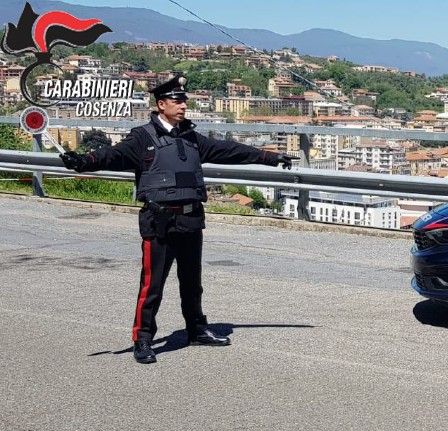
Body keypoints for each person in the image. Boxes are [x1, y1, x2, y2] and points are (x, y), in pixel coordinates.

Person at [59, 74, 294, 364]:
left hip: (191, 219)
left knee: (192, 282)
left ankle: (196, 330)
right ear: (161, 104)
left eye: (184, 100)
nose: (183, 105)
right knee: (152, 284)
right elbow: (112, 155)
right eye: (176, 100)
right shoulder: (142, 138)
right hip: (159, 221)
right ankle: (143, 340)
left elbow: (231, 151)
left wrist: (271, 158)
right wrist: (84, 162)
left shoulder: (192, 139)